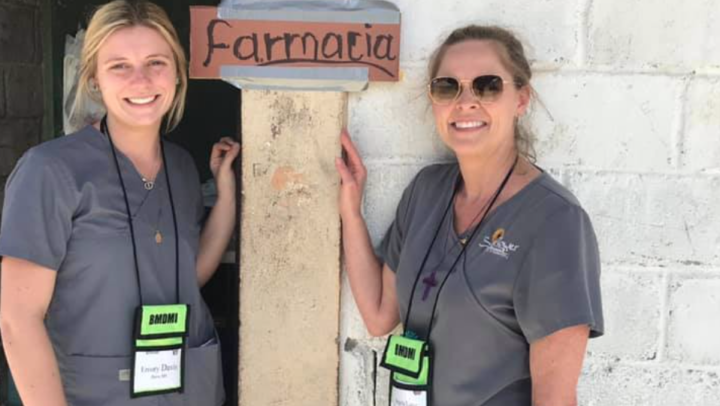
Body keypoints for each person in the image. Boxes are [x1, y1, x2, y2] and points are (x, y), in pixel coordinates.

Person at [336, 25, 604, 406]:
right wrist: (351, 211)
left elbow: (556, 400)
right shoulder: (427, 191)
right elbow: (380, 314)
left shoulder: (555, 222)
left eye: (488, 85)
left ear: (521, 99)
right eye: (448, 87)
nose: (465, 101)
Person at [0, 1, 239, 405]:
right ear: (94, 77)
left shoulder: (180, 167)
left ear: (178, 73)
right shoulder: (51, 171)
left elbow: (188, 273)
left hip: (186, 391)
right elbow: (17, 320)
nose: (141, 81)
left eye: (156, 62)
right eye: (119, 66)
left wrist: (226, 189)